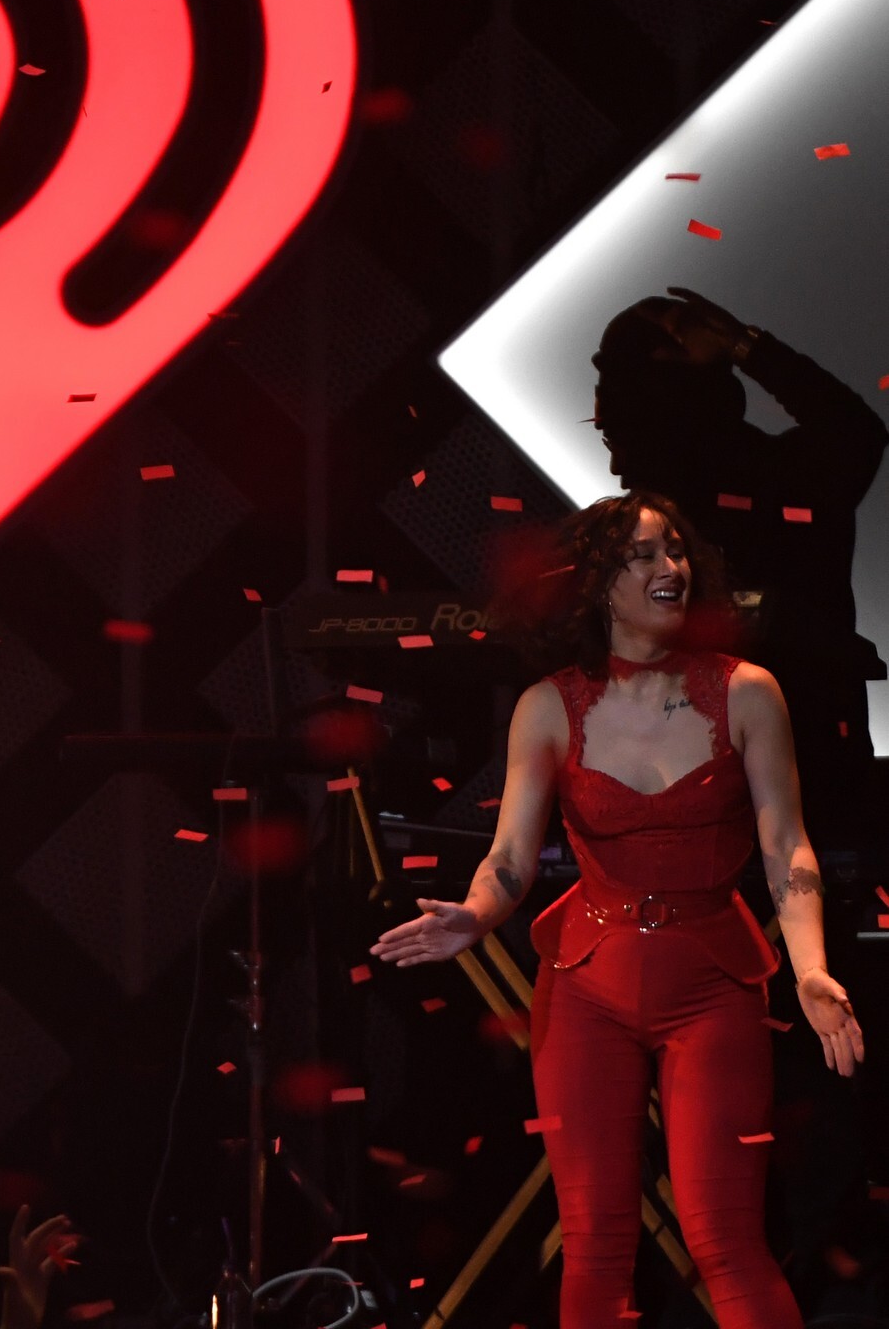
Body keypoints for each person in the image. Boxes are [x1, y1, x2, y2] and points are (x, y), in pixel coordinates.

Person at [372, 491, 862, 1329]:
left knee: (725, 1241)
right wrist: (477, 914)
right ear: (598, 582)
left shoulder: (746, 693)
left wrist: (812, 970)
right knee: (595, 1245)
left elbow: (788, 846)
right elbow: (511, 858)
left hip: (712, 985)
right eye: (642, 554)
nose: (670, 567)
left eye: (675, 549)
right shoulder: (549, 706)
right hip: (586, 986)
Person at [592, 290, 887, 850]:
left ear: (664, 410)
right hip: (762, 797)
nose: (616, 466)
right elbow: (855, 431)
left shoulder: (788, 481)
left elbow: (857, 433)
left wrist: (746, 348)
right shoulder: (795, 477)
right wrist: (747, 349)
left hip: (799, 790)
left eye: (621, 436)